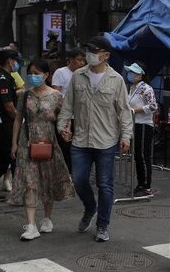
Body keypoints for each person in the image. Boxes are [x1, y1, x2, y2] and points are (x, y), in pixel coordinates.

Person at [57, 35, 132, 242]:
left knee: (105, 184)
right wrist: (62, 125)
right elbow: (68, 105)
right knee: (79, 179)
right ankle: (90, 208)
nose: (90, 55)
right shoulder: (78, 76)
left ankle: (102, 225)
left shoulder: (116, 80)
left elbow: (124, 111)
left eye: (95, 51)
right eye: (88, 50)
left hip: (106, 140)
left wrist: (126, 136)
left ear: (106, 56)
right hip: (80, 139)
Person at [8, 58, 74, 240]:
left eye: (36, 73)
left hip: (49, 142)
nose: (32, 76)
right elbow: (17, 118)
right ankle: (31, 225)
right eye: (30, 73)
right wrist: (14, 143)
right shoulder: (25, 95)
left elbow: (64, 117)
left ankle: (47, 218)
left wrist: (65, 131)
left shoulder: (57, 96)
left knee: (47, 179)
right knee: (29, 182)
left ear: (46, 75)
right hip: (26, 142)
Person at [0, 49, 21, 201]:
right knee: (14, 156)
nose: (16, 64)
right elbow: (8, 106)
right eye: (15, 60)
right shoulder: (3, 79)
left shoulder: (5, 77)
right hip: (6, 124)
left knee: (1, 159)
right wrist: (20, 120)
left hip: (2, 124)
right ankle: (19, 192)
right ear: (10, 61)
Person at [125, 61, 158, 196]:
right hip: (135, 124)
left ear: (140, 75)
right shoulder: (133, 88)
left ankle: (146, 186)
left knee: (143, 156)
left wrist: (134, 110)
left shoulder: (146, 88)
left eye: (133, 72)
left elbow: (153, 106)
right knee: (137, 156)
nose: (130, 74)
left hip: (144, 125)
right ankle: (141, 184)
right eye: (130, 72)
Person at [51, 48, 86, 172]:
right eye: (79, 60)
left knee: (77, 144)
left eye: (83, 60)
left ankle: (74, 171)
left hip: (79, 115)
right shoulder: (61, 72)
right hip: (65, 114)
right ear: (71, 60)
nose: (81, 63)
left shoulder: (83, 74)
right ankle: (65, 171)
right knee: (65, 145)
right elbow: (56, 94)